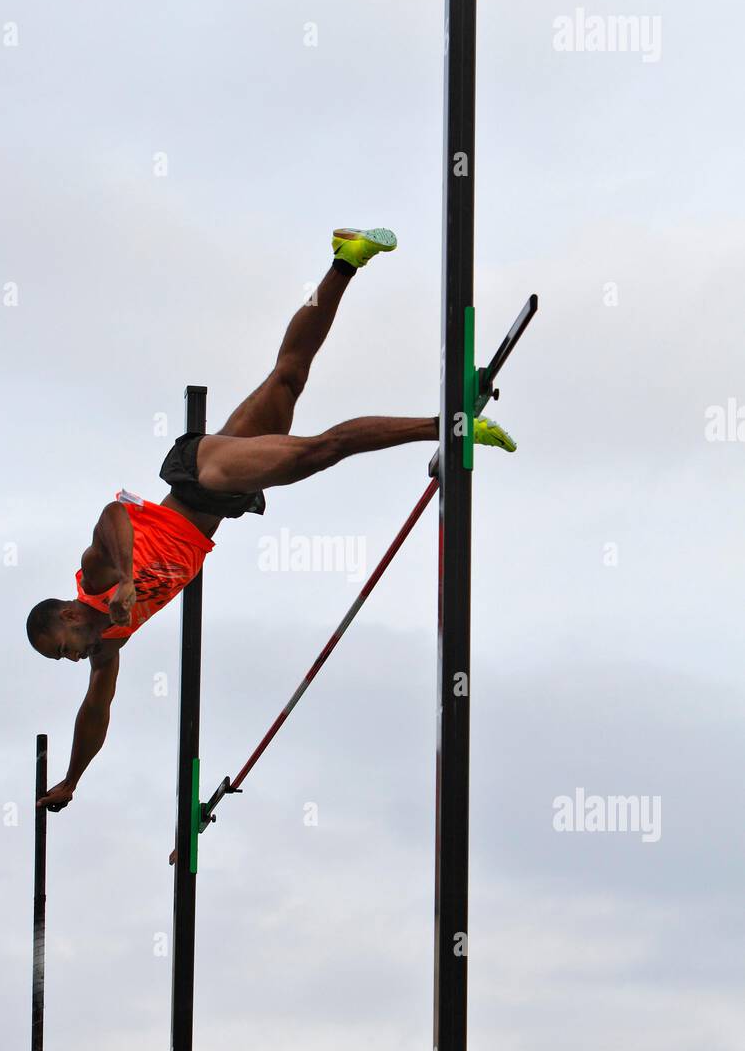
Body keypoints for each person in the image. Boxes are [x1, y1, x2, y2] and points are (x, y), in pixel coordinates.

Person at [26, 228, 516, 811]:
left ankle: (448, 423)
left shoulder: (96, 580)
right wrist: (73, 780)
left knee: (318, 452)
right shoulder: (108, 643)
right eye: (66, 660)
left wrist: (128, 578)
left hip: (201, 478)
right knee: (289, 376)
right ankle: (344, 260)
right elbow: (95, 713)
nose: (73, 658)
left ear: (65, 612)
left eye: (63, 647)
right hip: (218, 501)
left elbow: (112, 516)